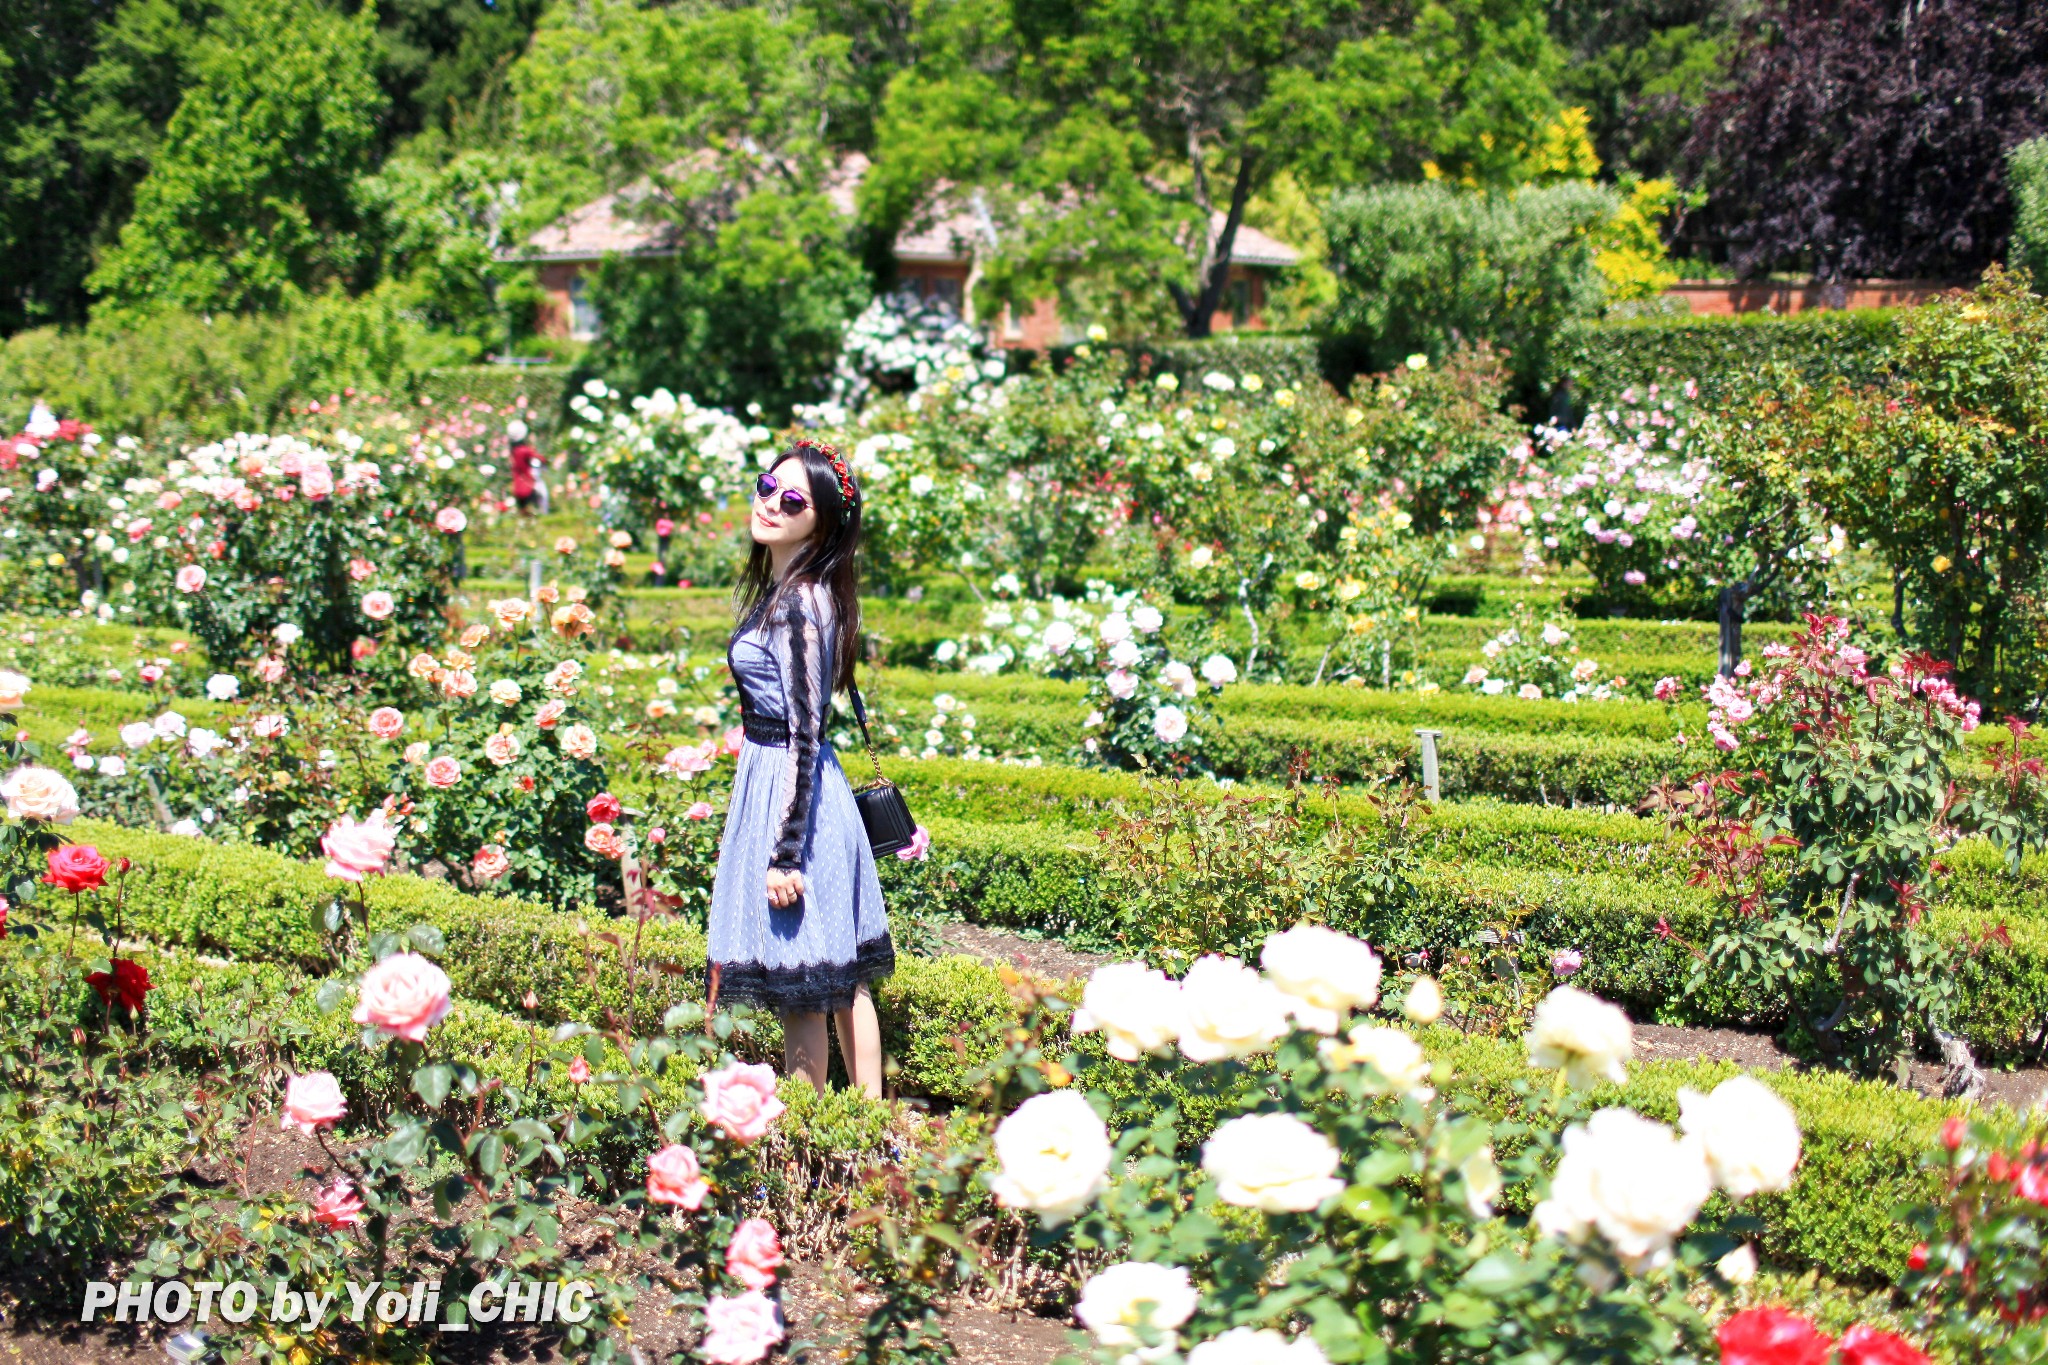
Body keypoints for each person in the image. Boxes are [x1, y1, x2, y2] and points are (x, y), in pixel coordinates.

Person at [707, 438, 892, 1096]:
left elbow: (806, 736)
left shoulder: (797, 607)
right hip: (800, 793)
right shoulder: (795, 592)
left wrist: (785, 852)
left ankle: (814, 1142)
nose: (771, 505)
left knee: (805, 984)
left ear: (823, 522)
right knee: (838, 976)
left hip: (798, 802)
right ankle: (868, 1128)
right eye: (766, 486)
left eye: (793, 500)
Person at [508, 421, 545, 516]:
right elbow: (540, 458)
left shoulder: (513, 451)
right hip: (528, 486)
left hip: (518, 488)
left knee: (523, 513)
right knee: (540, 503)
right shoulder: (524, 450)